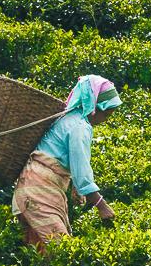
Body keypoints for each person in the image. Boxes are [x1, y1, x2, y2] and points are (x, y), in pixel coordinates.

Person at [11, 74, 122, 252]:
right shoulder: (80, 126)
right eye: (107, 112)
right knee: (61, 252)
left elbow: (64, 159)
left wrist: (76, 190)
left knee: (42, 254)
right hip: (38, 193)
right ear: (95, 107)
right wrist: (102, 205)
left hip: (31, 190)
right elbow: (82, 171)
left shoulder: (69, 118)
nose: (107, 118)